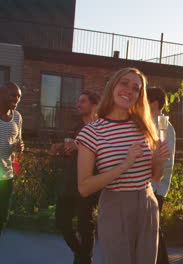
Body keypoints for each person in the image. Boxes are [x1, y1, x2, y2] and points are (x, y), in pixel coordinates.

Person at [75, 68, 171, 264]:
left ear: (139, 96)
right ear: (113, 86)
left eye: (136, 88)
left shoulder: (144, 127)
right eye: (124, 83)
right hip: (115, 206)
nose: (129, 90)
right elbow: (84, 187)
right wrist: (125, 164)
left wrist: (158, 162)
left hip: (147, 203)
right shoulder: (92, 132)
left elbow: (155, 177)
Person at [50, 90, 101, 264]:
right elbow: (73, 150)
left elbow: (101, 154)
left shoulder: (101, 128)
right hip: (70, 183)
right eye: (78, 101)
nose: (78, 105)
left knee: (84, 225)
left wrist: (79, 147)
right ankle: (83, 256)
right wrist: (61, 148)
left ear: (94, 105)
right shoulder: (79, 126)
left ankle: (82, 260)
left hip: (88, 183)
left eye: (83, 102)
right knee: (62, 221)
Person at [147, 87, 176, 264]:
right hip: (150, 185)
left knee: (153, 231)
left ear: (155, 103)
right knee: (151, 231)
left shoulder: (162, 125)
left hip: (155, 186)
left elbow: (163, 156)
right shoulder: (150, 123)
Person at [0, 81, 23, 238]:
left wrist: (20, 147)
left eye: (19, 96)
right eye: (13, 95)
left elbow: (19, 141)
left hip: (5, 177)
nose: (16, 99)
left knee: (2, 219)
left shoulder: (17, 117)